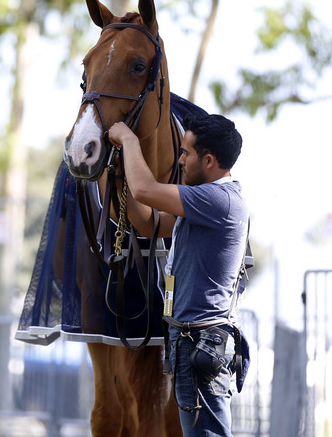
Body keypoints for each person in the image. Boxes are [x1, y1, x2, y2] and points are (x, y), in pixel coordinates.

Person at [108, 112, 249, 437]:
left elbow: (145, 189)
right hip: (192, 344)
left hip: (200, 343)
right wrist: (120, 181)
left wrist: (128, 140)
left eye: (186, 153)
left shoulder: (219, 200)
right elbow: (150, 223)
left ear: (210, 161)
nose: (180, 160)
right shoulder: (207, 204)